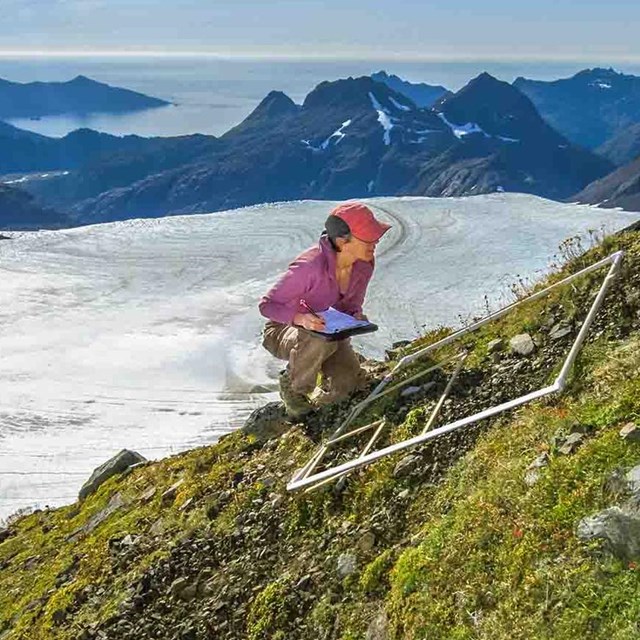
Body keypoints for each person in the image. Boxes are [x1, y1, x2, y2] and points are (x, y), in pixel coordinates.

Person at [258, 201, 391, 417]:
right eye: (368, 236)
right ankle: (293, 387)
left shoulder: (364, 264)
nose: (376, 240)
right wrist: (301, 319)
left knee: (347, 385)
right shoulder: (309, 267)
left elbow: (350, 305)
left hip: (331, 335)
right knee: (318, 337)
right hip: (284, 329)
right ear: (342, 240)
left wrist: (355, 316)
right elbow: (267, 305)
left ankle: (321, 402)